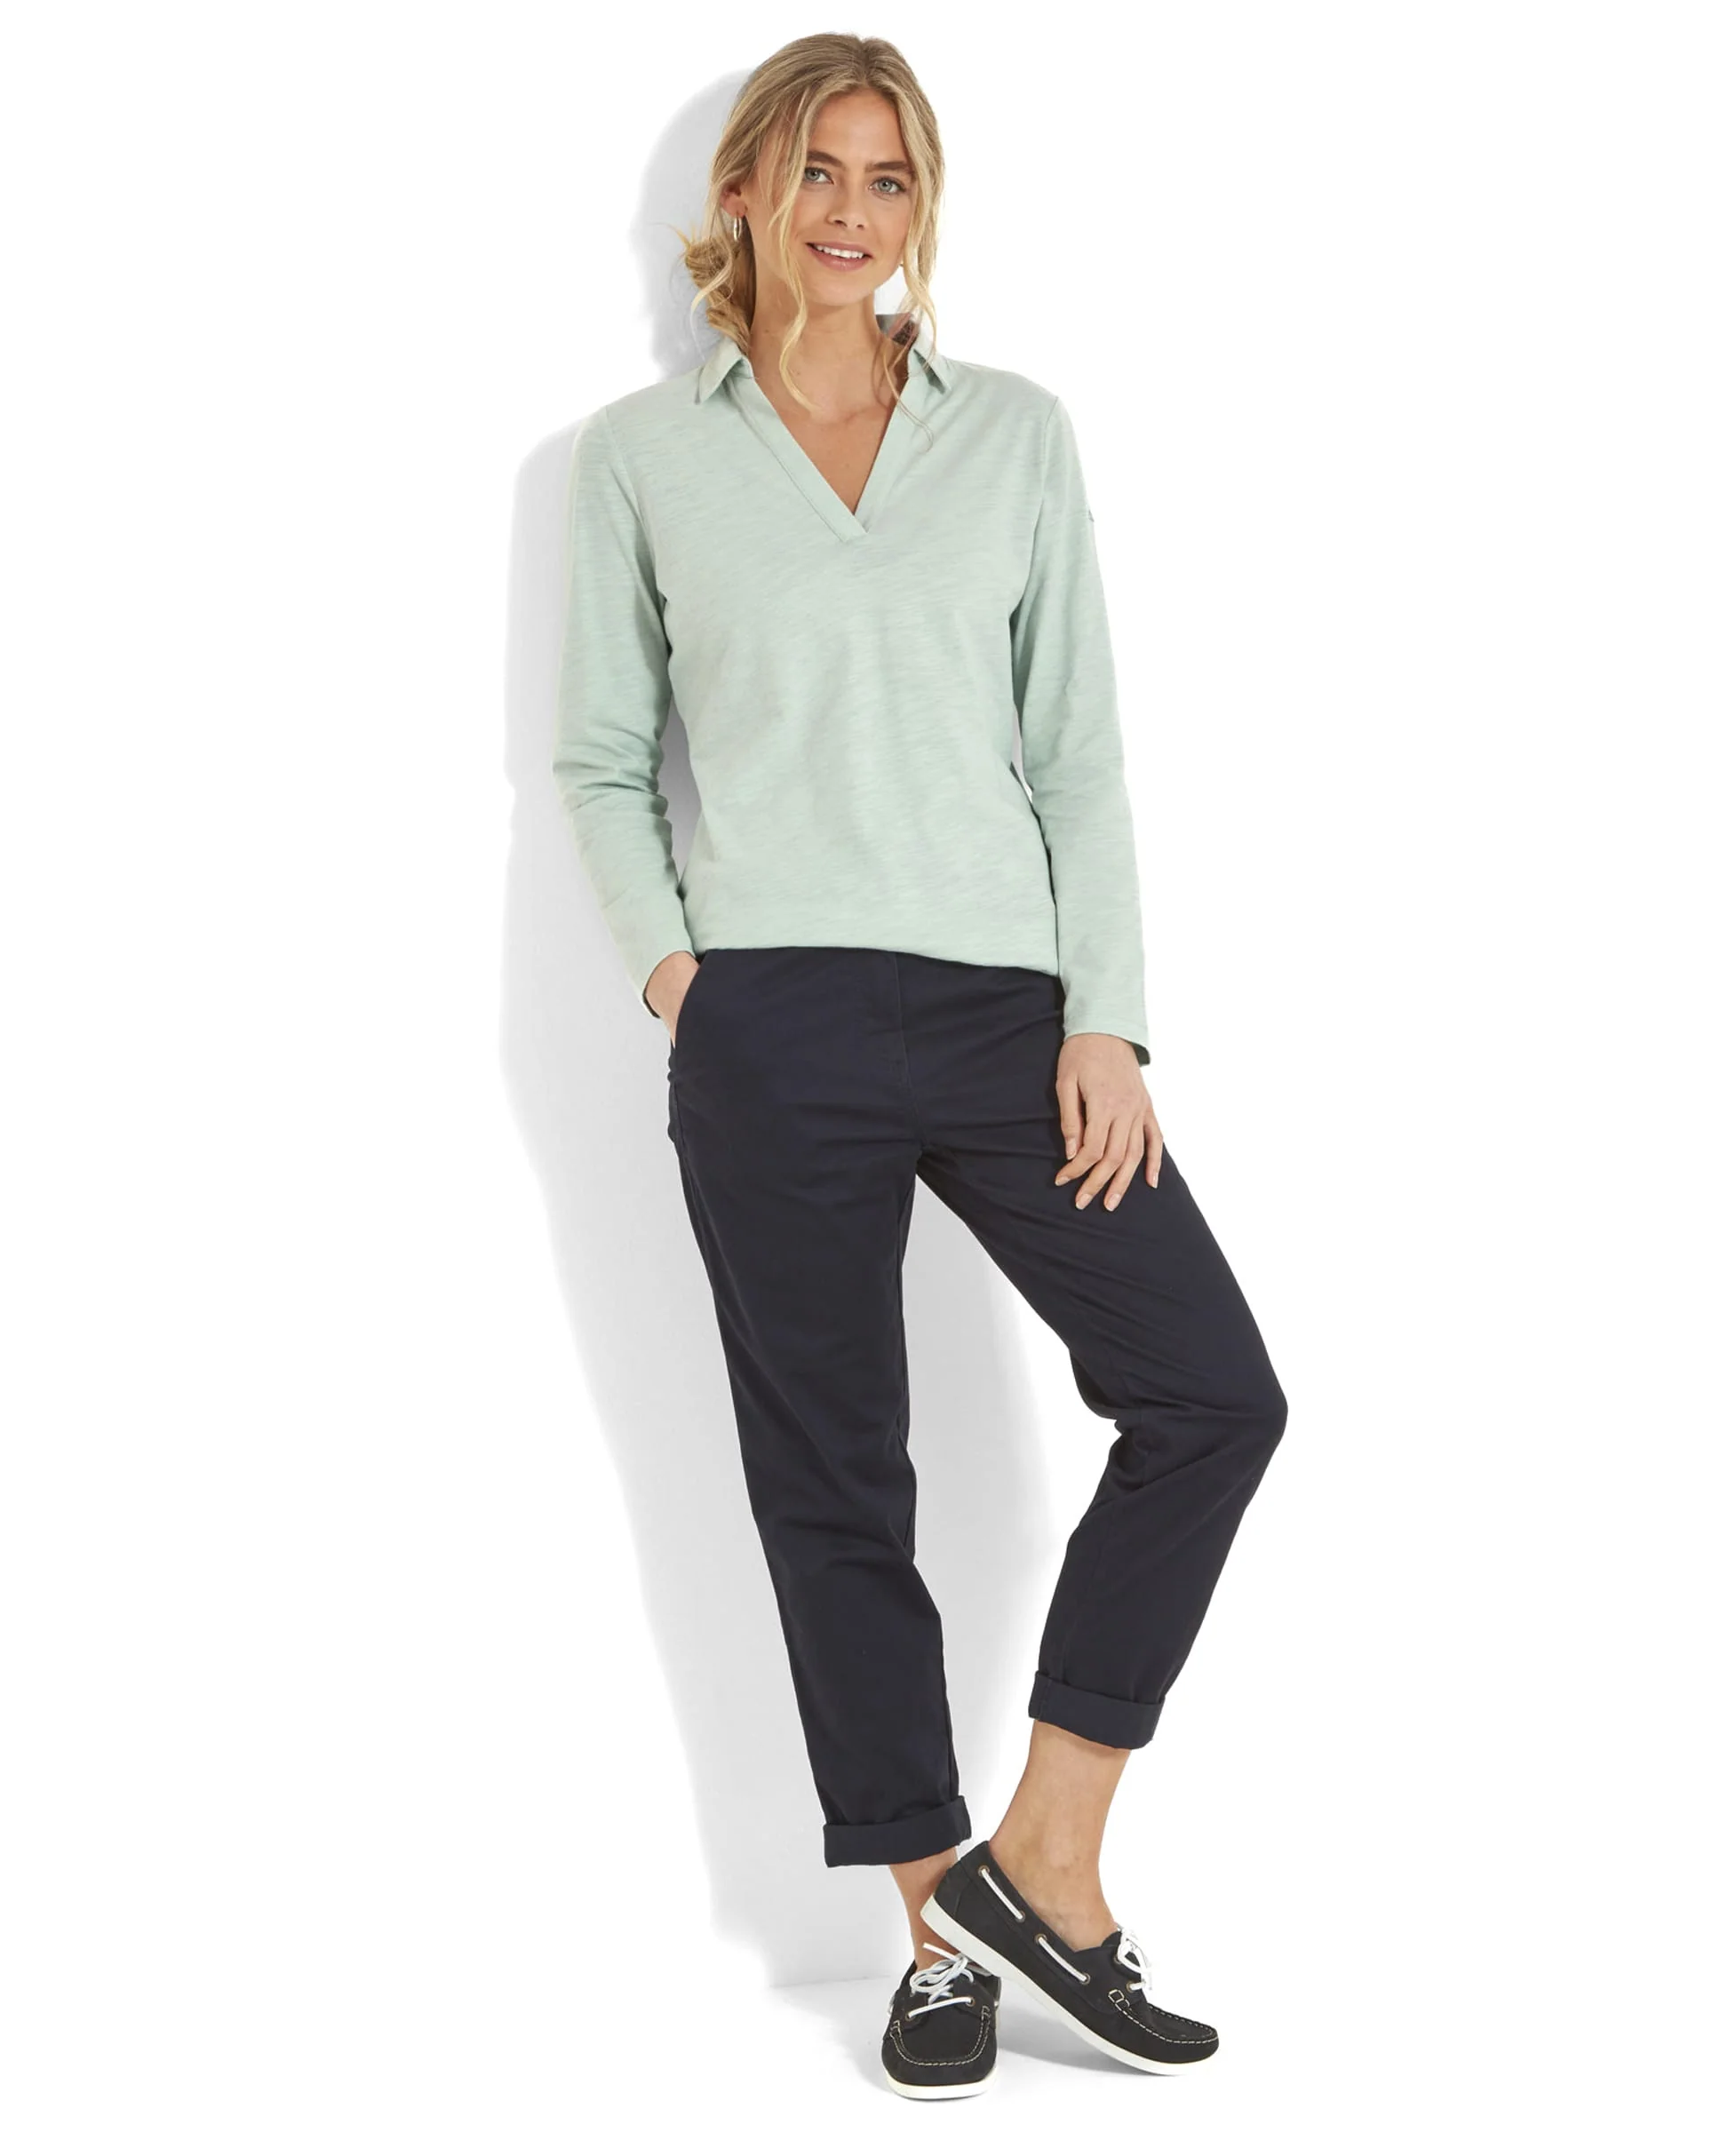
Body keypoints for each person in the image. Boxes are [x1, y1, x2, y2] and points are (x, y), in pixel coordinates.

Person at [553, 33, 1287, 2098]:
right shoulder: (645, 458)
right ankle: (932, 1937)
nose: (852, 214)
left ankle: (1042, 1859)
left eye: (888, 179)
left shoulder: (1013, 436)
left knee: (1212, 1393)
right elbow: (602, 760)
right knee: (836, 1480)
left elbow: (1080, 751)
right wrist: (687, 984)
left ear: (921, 209)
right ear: (743, 195)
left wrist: (1106, 1016)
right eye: (817, 172)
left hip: (1003, 1016)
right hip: (771, 1025)